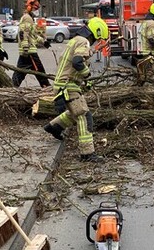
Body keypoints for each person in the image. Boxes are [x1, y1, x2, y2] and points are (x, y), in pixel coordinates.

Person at [43, 17, 109, 161]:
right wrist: (87, 74)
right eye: (98, 39)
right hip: (67, 86)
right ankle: (87, 153)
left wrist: (84, 82)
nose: (95, 42)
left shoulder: (76, 40)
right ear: (96, 33)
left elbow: (74, 63)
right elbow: (77, 62)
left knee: (75, 111)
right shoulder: (83, 42)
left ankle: (54, 127)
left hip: (63, 84)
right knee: (84, 116)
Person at [12, 0, 51, 88]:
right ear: (29, 7)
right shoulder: (27, 18)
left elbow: (32, 35)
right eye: (35, 8)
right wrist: (25, 48)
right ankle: (46, 88)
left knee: (20, 72)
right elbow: (23, 34)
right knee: (40, 71)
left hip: (28, 50)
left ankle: (12, 87)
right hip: (29, 51)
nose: (36, 11)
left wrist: (43, 42)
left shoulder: (29, 18)